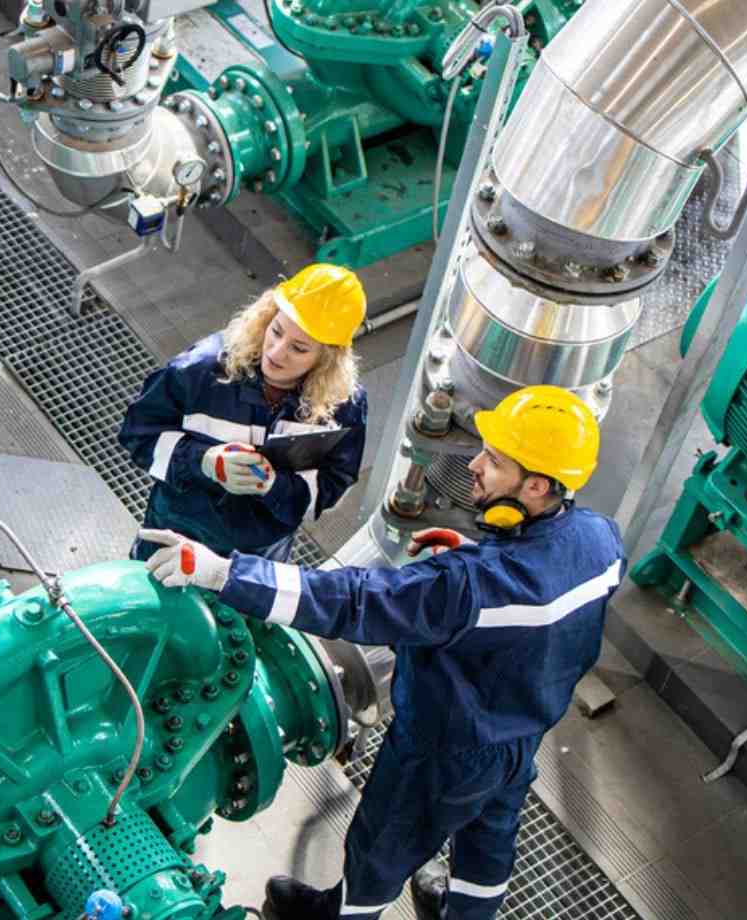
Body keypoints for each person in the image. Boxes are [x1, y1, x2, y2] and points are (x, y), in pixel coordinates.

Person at [139, 385, 623, 920]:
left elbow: (352, 600)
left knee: (382, 847)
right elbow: (539, 601)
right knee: (489, 841)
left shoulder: (466, 590)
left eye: (496, 460)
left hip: (440, 750)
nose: (477, 465)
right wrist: (478, 557)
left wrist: (223, 572)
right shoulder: (601, 541)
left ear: (534, 485)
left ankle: (347, 913)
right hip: (520, 733)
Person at [118, 263, 369, 563]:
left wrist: (274, 486)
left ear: (326, 359)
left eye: (298, 349)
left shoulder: (342, 405)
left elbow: (333, 482)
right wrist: (205, 462)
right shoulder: (200, 371)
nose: (275, 352)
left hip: (257, 561)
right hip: (176, 537)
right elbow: (138, 434)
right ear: (267, 318)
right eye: (276, 331)